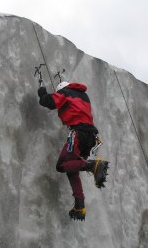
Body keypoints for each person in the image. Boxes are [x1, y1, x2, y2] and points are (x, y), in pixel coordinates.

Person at [38, 81, 108, 221]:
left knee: (62, 165)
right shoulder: (84, 96)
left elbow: (49, 102)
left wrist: (42, 92)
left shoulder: (65, 93)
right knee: (72, 168)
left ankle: (93, 166)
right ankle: (79, 206)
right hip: (91, 137)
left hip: (79, 134)